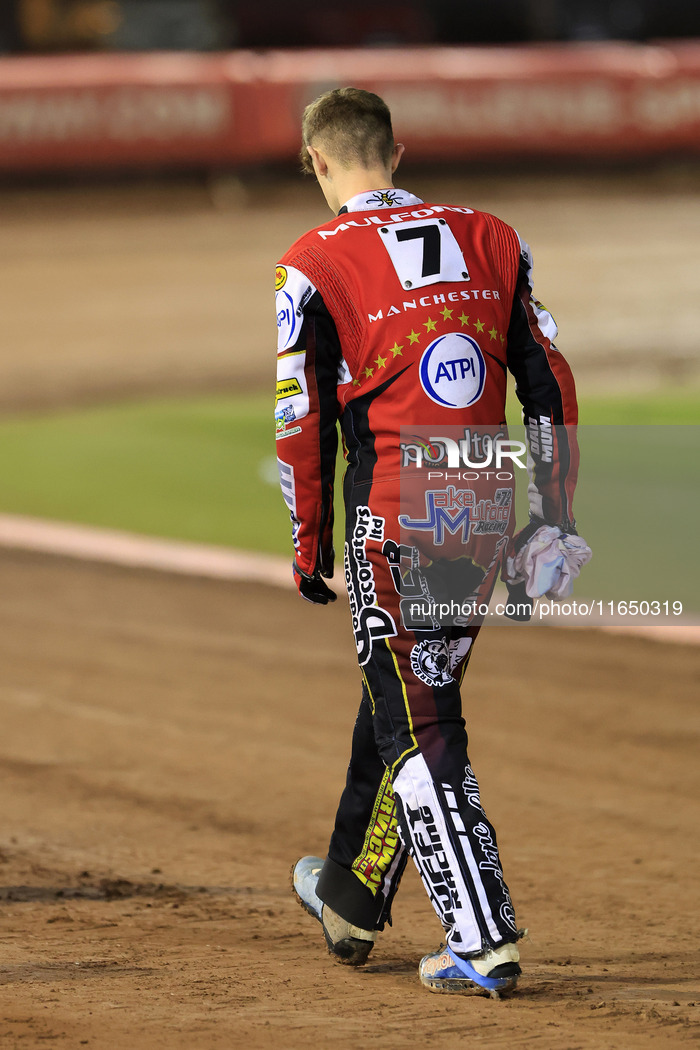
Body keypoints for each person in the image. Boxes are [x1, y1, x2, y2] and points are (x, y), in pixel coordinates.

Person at [275, 87, 588, 997]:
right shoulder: (494, 235)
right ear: (397, 152)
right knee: (411, 688)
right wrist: (556, 516)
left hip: (395, 503)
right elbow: (549, 384)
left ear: (316, 163)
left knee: (417, 714)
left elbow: (302, 426)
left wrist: (310, 546)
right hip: (481, 495)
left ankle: (481, 939)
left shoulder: (309, 261)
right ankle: (351, 894)